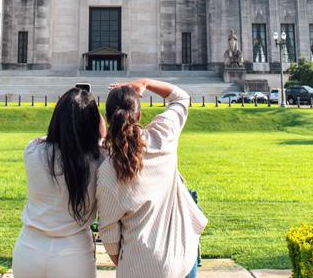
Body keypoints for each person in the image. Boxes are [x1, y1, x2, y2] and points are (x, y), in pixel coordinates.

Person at [97, 78, 207, 278]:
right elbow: (181, 98)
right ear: (139, 115)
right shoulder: (162, 136)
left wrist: (131, 262)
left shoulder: (107, 169)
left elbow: (109, 233)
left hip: (137, 266)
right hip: (181, 257)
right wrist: (145, 83)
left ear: (108, 118)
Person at [12, 87, 105, 278]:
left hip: (29, 247)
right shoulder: (98, 159)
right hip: (74, 251)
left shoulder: (33, 150)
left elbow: (50, 138)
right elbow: (101, 138)